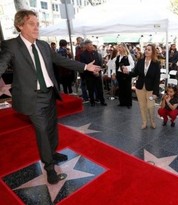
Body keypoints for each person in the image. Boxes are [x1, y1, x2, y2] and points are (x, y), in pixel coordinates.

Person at [0, 10, 101, 184]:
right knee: (42, 132)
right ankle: (49, 168)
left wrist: (85, 67)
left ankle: (52, 153)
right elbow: (1, 64)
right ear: (20, 25)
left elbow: (62, 61)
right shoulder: (11, 46)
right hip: (32, 98)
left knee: (52, 128)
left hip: (49, 94)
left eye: (37, 23)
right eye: (32, 23)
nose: (36, 27)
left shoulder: (44, 46)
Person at [130, 44, 160, 129]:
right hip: (140, 88)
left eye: (149, 49)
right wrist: (127, 72)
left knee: (150, 106)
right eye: (146, 49)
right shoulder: (140, 61)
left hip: (150, 89)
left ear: (153, 52)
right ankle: (144, 122)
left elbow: (157, 79)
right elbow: (135, 73)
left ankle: (152, 121)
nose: (146, 51)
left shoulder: (156, 63)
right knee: (142, 106)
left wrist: (155, 93)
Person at [80, 39, 107, 106]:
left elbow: (99, 63)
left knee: (100, 89)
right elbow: (84, 66)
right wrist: (92, 72)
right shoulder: (83, 55)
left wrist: (98, 71)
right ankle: (92, 101)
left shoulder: (96, 53)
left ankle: (102, 101)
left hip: (97, 74)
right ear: (86, 46)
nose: (91, 46)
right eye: (89, 45)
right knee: (90, 89)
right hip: (89, 76)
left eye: (91, 44)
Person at [115, 43, 135, 108]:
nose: (119, 49)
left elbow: (132, 65)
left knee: (127, 89)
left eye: (120, 47)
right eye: (118, 47)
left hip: (126, 75)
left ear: (124, 48)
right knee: (121, 89)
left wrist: (126, 68)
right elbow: (116, 66)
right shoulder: (118, 56)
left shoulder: (128, 56)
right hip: (119, 75)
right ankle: (122, 102)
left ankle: (128, 103)